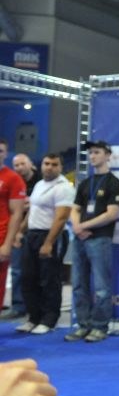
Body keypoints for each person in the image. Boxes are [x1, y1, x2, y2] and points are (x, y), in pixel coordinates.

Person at [65, 141, 119, 343]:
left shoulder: (114, 183)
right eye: (90, 153)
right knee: (78, 285)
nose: (92, 156)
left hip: (100, 239)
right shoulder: (85, 183)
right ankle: (83, 325)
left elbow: (111, 214)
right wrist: (76, 226)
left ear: (107, 155)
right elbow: (74, 209)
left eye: (97, 152)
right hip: (80, 239)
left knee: (101, 287)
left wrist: (84, 225)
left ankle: (99, 327)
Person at [16, 153, 75, 335]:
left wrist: (49, 243)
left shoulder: (64, 187)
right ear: (40, 165)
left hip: (51, 235)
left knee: (50, 279)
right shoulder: (40, 184)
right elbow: (32, 211)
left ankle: (49, 320)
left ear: (60, 167)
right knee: (28, 277)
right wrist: (20, 231)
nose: (49, 167)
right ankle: (34, 317)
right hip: (32, 234)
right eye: (46, 163)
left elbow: (61, 217)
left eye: (53, 164)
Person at [0, 154, 41, 320]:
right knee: (17, 271)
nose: (19, 167)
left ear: (31, 164)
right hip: (18, 231)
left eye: (23, 163)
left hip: (34, 231)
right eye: (16, 165)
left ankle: (34, 308)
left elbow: (18, 212)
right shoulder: (14, 180)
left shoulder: (39, 182)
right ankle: (18, 305)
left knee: (32, 272)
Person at [0, 139, 26, 318]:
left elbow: (17, 213)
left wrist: (7, 244)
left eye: (0, 151)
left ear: (5, 153)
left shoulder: (12, 178)